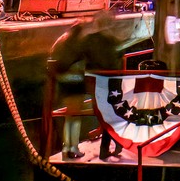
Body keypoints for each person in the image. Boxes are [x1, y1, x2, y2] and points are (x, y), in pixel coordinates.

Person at [48, 10, 128, 160]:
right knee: (109, 113)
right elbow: (117, 57)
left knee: (74, 114)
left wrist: (58, 68)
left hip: (90, 83)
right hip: (109, 83)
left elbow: (75, 56)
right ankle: (110, 144)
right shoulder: (114, 41)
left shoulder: (87, 40)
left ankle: (69, 146)